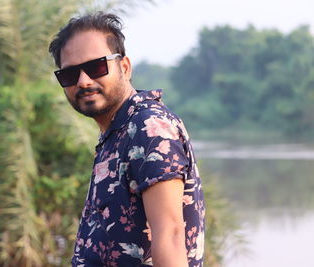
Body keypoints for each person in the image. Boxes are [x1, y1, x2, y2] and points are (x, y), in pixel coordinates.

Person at [49, 12, 204, 267]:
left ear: (124, 67)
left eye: (96, 67)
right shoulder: (116, 131)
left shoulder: (148, 128)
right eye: (70, 75)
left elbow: (171, 234)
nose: (83, 81)